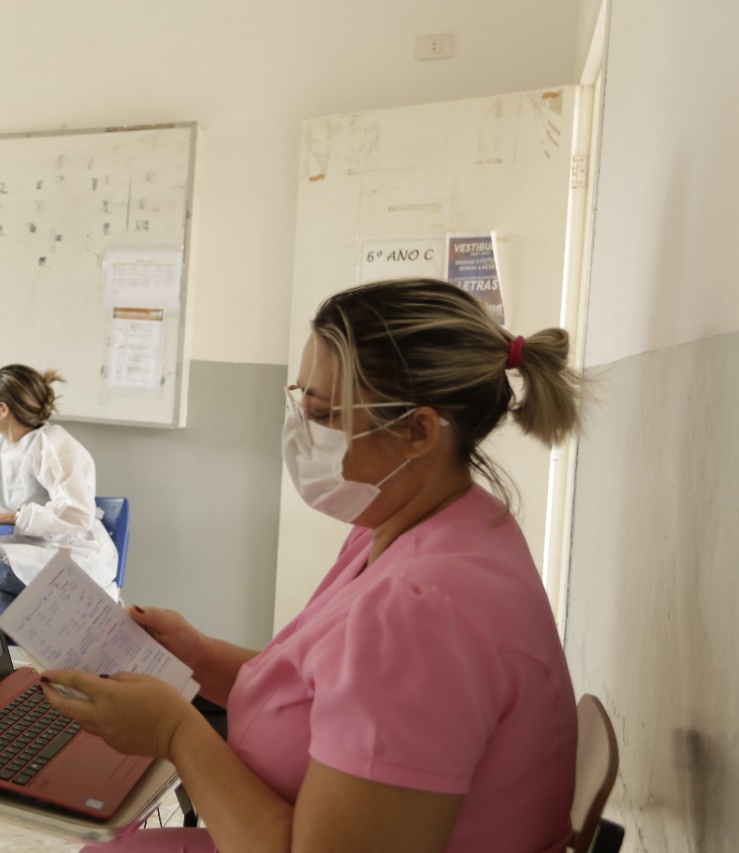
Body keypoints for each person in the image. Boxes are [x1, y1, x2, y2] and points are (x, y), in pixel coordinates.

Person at [40, 278, 583, 853]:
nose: (301, 430)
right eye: (299, 400)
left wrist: (176, 732)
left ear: (418, 431)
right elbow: (328, 693)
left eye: (322, 413)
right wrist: (198, 656)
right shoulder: (431, 524)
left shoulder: (422, 611)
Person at [0, 364, 119, 611]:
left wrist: (16, 517)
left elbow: (77, 512)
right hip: (23, 547)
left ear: (3, 409)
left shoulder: (53, 446)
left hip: (67, 553)